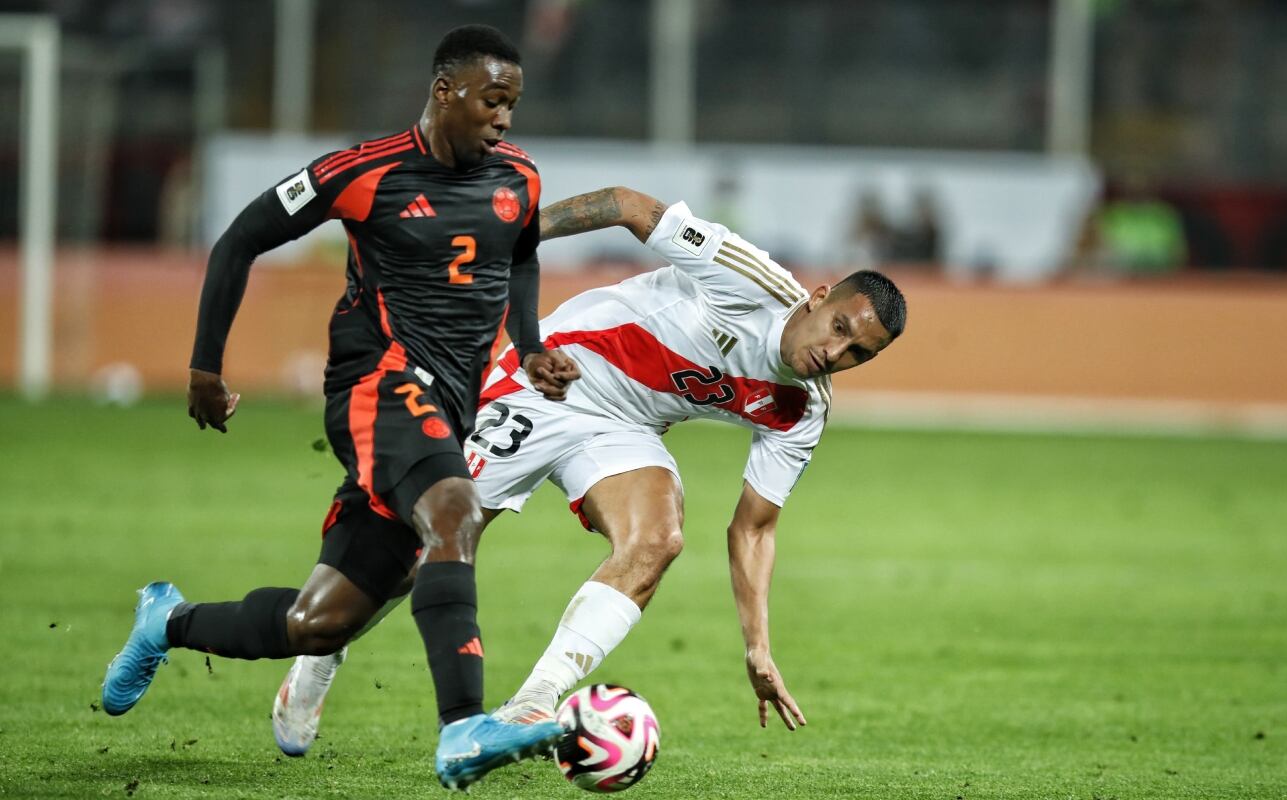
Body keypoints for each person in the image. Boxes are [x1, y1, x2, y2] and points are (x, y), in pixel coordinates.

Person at [99, 25, 580, 791]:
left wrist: (528, 347)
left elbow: (519, 255)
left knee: (318, 622)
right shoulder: (365, 171)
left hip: (447, 407)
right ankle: (463, 729)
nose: (505, 120)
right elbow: (239, 239)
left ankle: (167, 621)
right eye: (493, 101)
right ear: (445, 90)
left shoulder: (519, 176)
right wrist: (203, 367)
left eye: (513, 105)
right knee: (456, 511)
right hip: (377, 383)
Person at [271, 185, 908, 754]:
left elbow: (755, 529)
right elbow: (627, 206)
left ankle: (532, 704)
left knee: (658, 538)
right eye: (839, 328)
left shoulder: (802, 411)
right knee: (422, 546)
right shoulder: (746, 279)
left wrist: (758, 646)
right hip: (549, 381)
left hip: (622, 430)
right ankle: (323, 651)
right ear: (821, 298)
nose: (835, 352)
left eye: (858, 354)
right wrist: (518, 234)